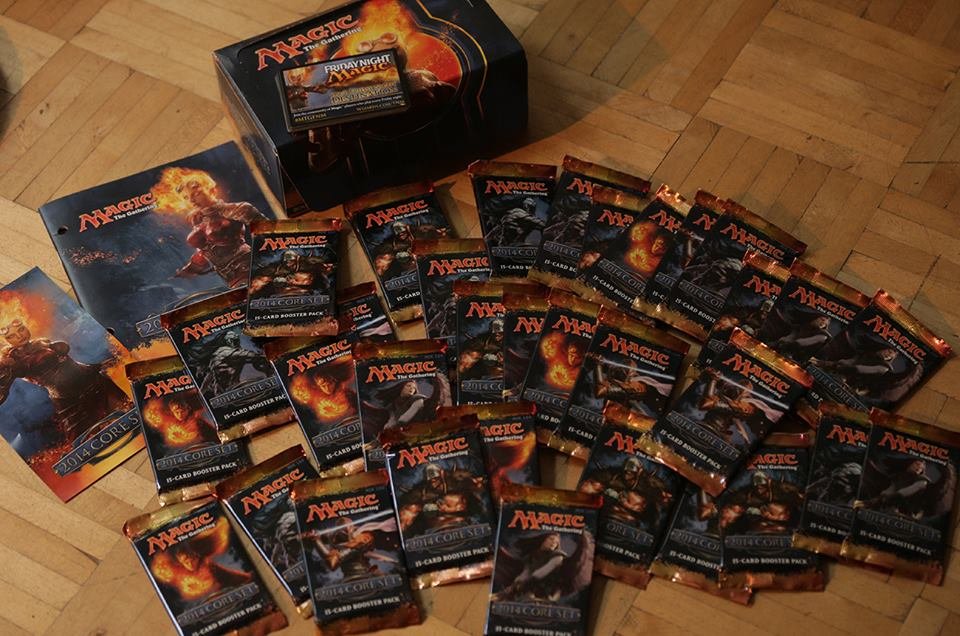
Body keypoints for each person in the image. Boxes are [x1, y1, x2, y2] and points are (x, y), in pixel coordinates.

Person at [0, 318, 129, 443]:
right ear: (4, 341)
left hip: (94, 381)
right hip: (71, 401)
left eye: (21, 329)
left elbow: (70, 363)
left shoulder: (41, 342)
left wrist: (96, 367)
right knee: (90, 441)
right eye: (11, 336)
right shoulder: (12, 362)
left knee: (129, 412)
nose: (20, 336)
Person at [172, 179, 265, 288]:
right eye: (186, 198)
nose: (191, 200)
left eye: (196, 194)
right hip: (229, 278)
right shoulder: (197, 219)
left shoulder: (237, 209)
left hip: (248, 269)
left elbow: (271, 232)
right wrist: (191, 269)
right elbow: (205, 250)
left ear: (211, 189)